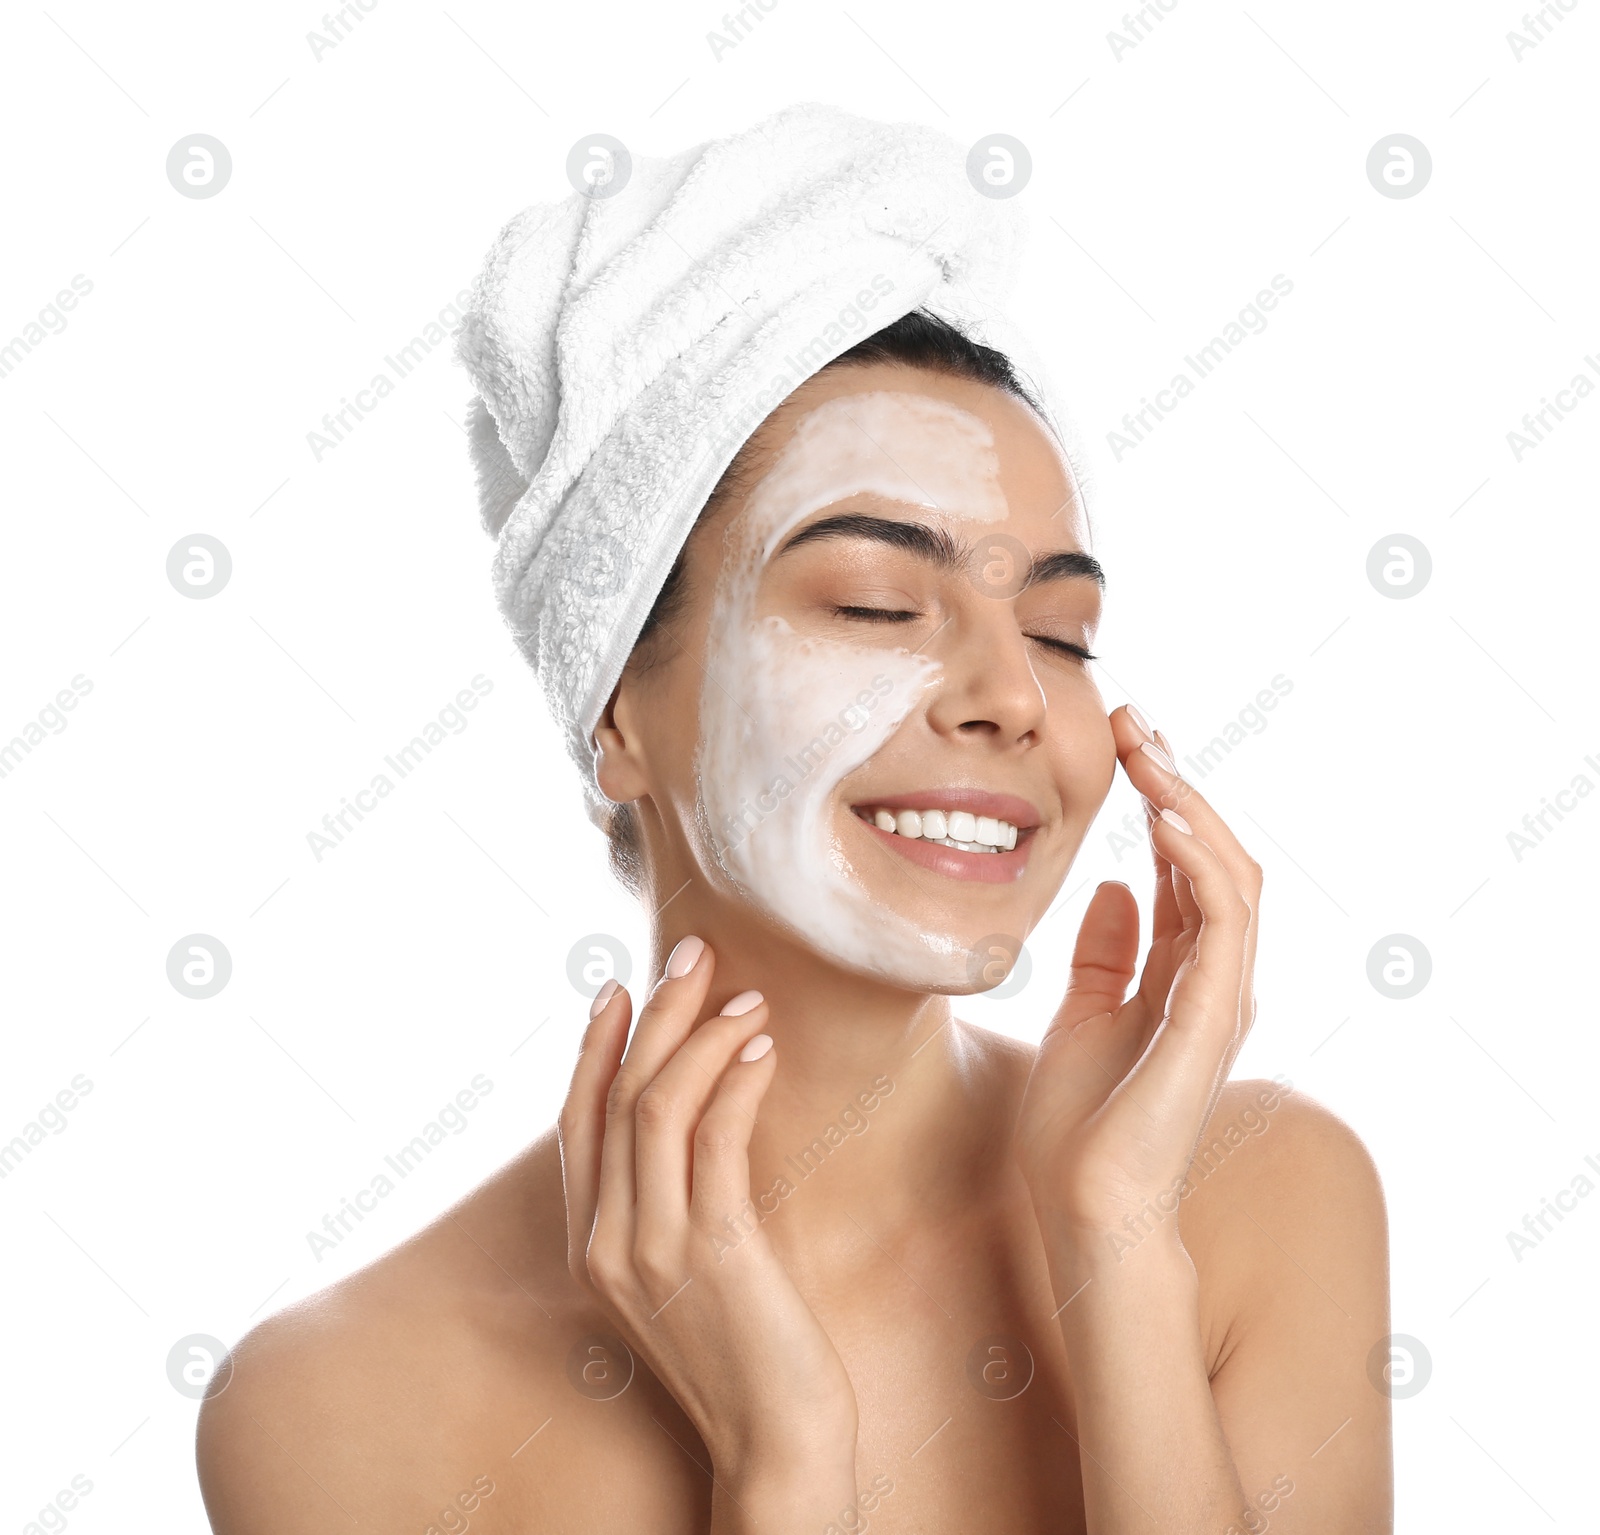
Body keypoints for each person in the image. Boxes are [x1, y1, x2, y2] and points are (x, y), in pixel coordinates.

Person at [197, 108, 1391, 1535]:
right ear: (617, 710)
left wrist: (1120, 1253)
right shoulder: (344, 1409)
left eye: (1064, 632)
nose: (1014, 694)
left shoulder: (1256, 1205)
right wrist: (782, 1459)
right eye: (880, 607)